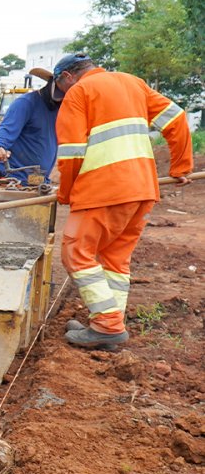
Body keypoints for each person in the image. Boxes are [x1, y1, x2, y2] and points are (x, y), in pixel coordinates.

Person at [53, 53, 193, 350]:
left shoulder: (79, 92)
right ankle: (108, 323)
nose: (62, 94)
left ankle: (107, 326)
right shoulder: (134, 83)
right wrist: (181, 167)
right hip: (143, 189)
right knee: (114, 258)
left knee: (75, 252)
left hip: (104, 190)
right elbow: (177, 118)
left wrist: (66, 193)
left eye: (60, 88)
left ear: (66, 77)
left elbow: (73, 153)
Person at [0, 68, 62, 185]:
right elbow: (7, 129)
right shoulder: (26, 103)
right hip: (15, 180)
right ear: (52, 84)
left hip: (39, 180)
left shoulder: (59, 109)